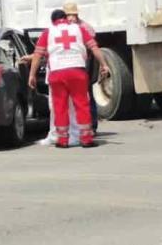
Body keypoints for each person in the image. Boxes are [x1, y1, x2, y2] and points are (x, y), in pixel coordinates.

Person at [28, 9, 110, 149]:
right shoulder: (79, 29)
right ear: (65, 18)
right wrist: (104, 64)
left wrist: (32, 75)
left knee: (60, 106)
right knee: (82, 104)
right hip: (77, 70)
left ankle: (62, 140)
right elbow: (94, 47)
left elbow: (37, 55)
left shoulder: (48, 32)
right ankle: (86, 138)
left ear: (53, 21)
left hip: (57, 72)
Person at [64, 2, 100, 134]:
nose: (71, 18)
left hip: (85, 64)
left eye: (73, 15)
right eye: (68, 15)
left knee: (87, 94)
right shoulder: (64, 29)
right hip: (73, 65)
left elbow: (92, 46)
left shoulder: (85, 27)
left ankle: (92, 125)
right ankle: (78, 126)